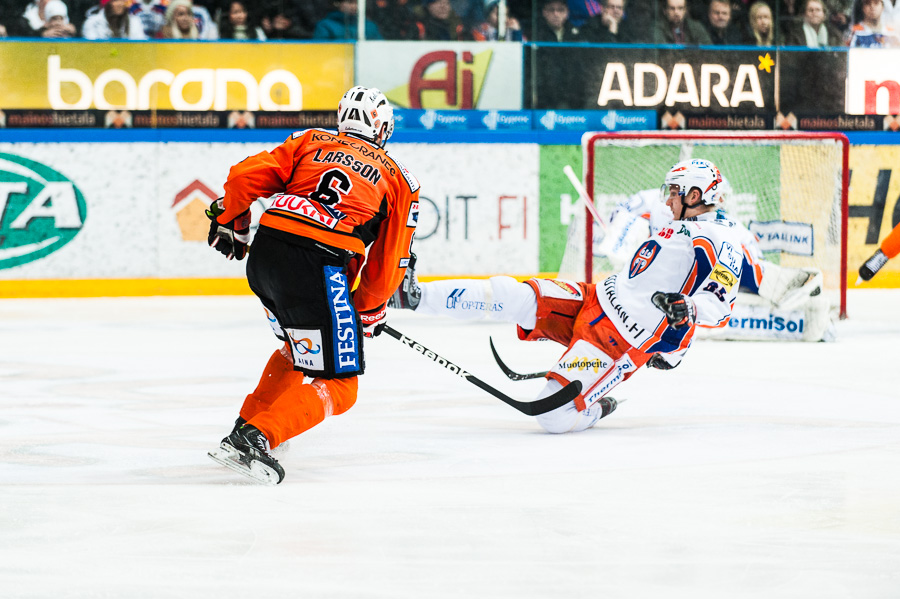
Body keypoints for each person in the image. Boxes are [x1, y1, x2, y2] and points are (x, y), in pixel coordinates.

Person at [391, 160, 746, 433]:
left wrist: (689, 308)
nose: (667, 198)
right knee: (511, 294)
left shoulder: (720, 237)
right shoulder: (673, 218)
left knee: (552, 417)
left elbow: (721, 303)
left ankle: (597, 405)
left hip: (616, 339)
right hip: (595, 296)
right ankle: (414, 296)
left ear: (695, 195)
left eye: (674, 191)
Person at [206, 86, 420, 485]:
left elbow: (243, 177)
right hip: (317, 265)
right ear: (383, 129)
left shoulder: (309, 140)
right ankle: (257, 438)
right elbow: (389, 259)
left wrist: (232, 219)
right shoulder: (398, 177)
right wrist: (368, 310)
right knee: (342, 385)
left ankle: (248, 425)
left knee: (296, 346)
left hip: (265, 258)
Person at [591, 182, 833, 341]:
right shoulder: (659, 206)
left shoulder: (721, 228)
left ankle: (787, 285)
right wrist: (621, 236)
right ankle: (784, 285)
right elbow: (622, 221)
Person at [313, 0, 384, 39]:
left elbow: (379, 48)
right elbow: (321, 50)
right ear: (338, 3)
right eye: (350, 2)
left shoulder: (369, 26)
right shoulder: (325, 26)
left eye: (357, 3)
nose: (354, 6)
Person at [82, 0, 147, 39]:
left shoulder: (134, 22)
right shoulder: (92, 22)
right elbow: (91, 48)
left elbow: (140, 45)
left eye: (122, 0)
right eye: (115, 0)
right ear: (107, 3)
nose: (120, 4)